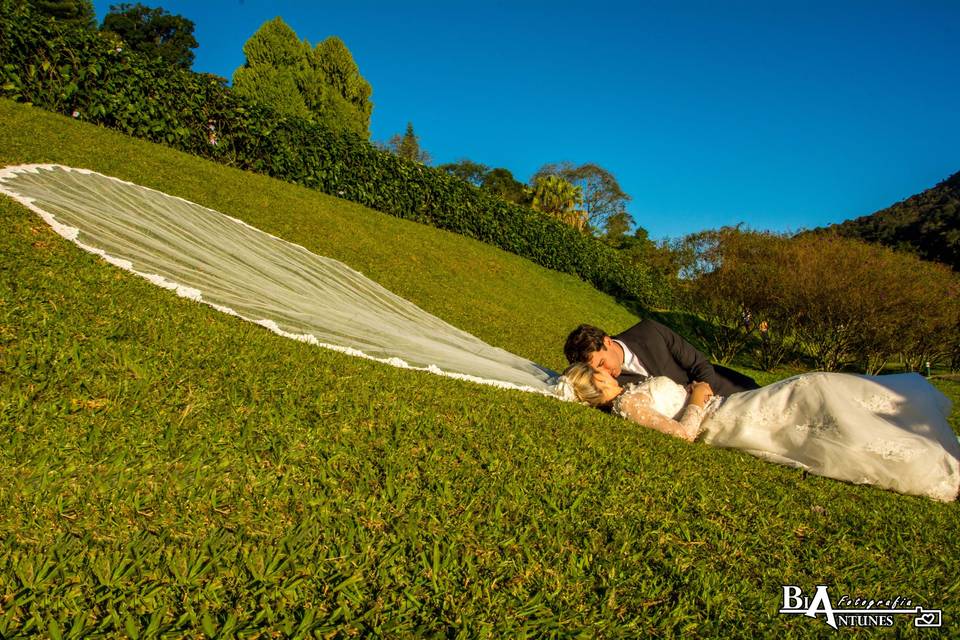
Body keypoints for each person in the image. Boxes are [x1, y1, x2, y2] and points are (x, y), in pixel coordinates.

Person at [562, 363, 960, 502]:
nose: (606, 370)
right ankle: (923, 456)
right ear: (593, 382)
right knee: (813, 396)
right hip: (724, 417)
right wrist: (698, 398)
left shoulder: (630, 394)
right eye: (597, 371)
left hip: (730, 406)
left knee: (815, 389)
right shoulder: (627, 404)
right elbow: (682, 436)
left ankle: (910, 426)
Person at [564, 320, 759, 396]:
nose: (606, 374)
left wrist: (699, 398)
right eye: (597, 371)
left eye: (602, 364)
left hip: (729, 387)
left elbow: (700, 364)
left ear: (607, 342)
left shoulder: (649, 332)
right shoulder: (608, 384)